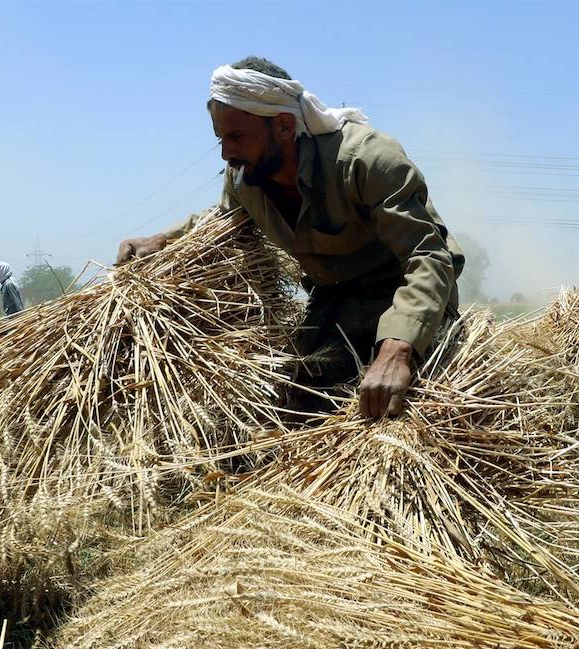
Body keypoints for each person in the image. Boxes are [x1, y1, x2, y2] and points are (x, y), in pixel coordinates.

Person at [116, 56, 464, 419]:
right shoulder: (244, 178)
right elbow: (223, 220)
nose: (225, 153)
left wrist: (398, 350)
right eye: (221, 138)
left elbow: (428, 257)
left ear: (284, 126)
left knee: (393, 404)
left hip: (405, 297)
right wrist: (162, 238)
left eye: (236, 137)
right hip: (337, 299)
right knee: (296, 404)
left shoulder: (365, 160)